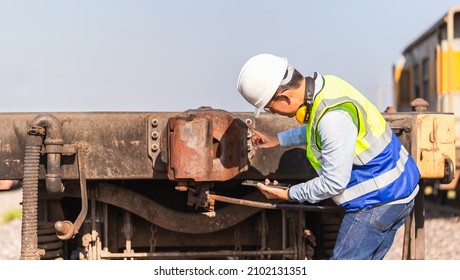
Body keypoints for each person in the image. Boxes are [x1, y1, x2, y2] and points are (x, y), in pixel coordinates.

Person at [236, 53, 421, 260]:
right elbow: (318, 130)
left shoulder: (332, 118)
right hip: (398, 190)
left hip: (378, 201)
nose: (275, 113)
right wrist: (277, 139)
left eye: (270, 107)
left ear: (285, 97)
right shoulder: (328, 87)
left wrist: (288, 193)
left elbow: (334, 182)